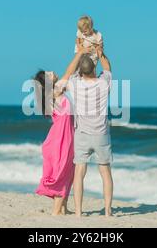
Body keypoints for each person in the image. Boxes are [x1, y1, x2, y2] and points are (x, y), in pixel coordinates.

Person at [34, 48, 90, 216]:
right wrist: (79, 54)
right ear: (48, 83)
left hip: (60, 139)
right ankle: (56, 211)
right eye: (48, 73)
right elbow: (69, 71)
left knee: (67, 173)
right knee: (63, 175)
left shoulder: (54, 94)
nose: (52, 72)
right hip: (60, 141)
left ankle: (63, 208)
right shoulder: (55, 91)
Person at [60, 46, 114, 217]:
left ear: (80, 72)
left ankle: (78, 211)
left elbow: (68, 74)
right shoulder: (104, 83)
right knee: (105, 172)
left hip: (82, 134)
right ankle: (107, 210)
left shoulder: (75, 84)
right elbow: (107, 67)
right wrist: (100, 52)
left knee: (79, 172)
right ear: (94, 69)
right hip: (101, 134)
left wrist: (79, 53)